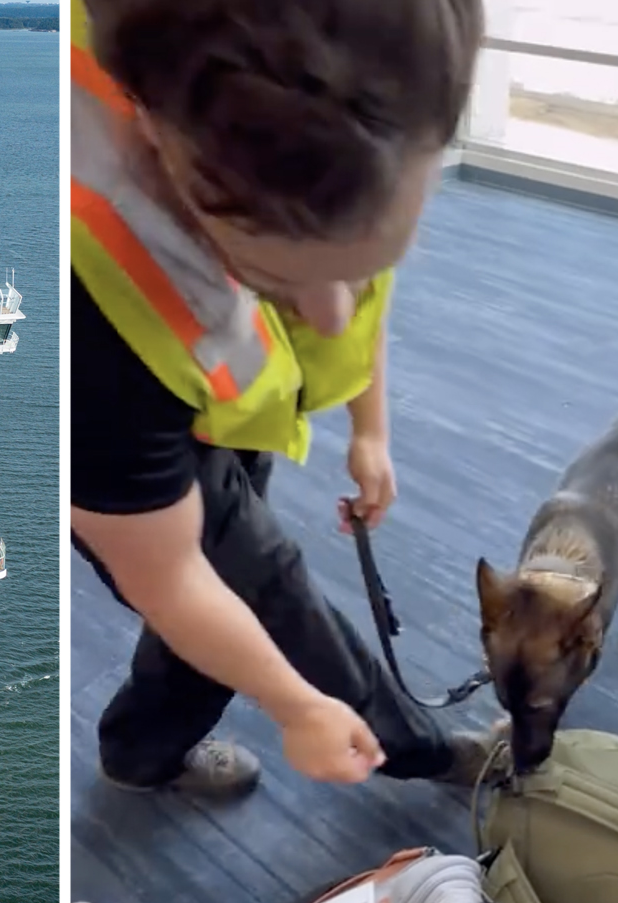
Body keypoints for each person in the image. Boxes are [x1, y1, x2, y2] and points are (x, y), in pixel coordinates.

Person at [69, 0, 498, 796]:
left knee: (231, 593)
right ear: (154, 136)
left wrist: (370, 429)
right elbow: (168, 576)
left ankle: (140, 749)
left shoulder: (363, 100)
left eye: (366, 266)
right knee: (265, 585)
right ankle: (420, 753)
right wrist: (296, 706)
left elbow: (344, 243)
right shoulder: (88, 331)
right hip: (127, 413)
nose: (337, 314)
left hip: (219, 393)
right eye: (281, 280)